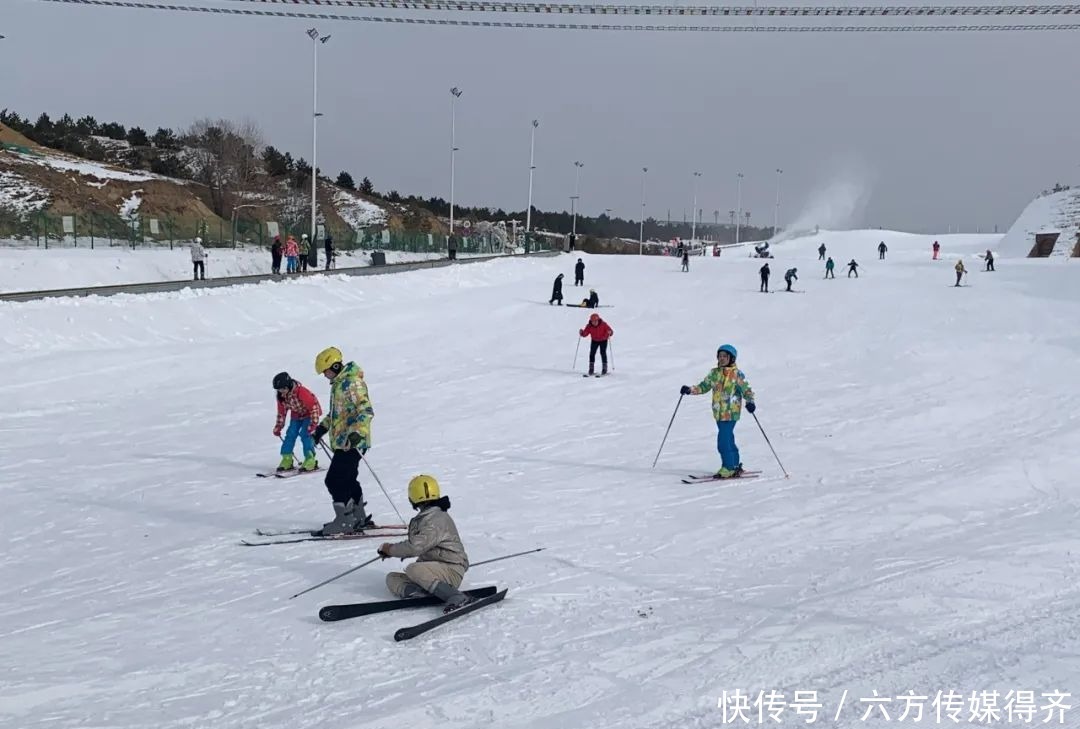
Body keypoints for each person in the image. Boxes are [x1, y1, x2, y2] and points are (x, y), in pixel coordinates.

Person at [378, 474, 471, 612]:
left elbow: (415, 547)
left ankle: (456, 596)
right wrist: (393, 551)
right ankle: (422, 594)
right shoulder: (427, 517)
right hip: (433, 570)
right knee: (392, 578)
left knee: (413, 569)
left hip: (451, 569)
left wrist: (390, 549)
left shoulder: (435, 519)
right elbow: (417, 544)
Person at [311, 347, 375, 535]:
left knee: (334, 480)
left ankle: (344, 521)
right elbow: (337, 414)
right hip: (343, 441)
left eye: (326, 371)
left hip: (352, 442)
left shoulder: (352, 383)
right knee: (347, 479)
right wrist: (321, 429)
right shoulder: (339, 384)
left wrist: (356, 435)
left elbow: (365, 411)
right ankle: (357, 516)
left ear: (336, 365)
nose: (325, 375)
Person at [679, 344, 756, 479]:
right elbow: (704, 386)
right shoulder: (714, 374)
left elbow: (746, 390)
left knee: (723, 441)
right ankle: (735, 464)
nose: (721, 359)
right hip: (719, 413)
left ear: (731, 358)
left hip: (731, 413)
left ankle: (728, 467)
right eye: (719, 356)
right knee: (728, 439)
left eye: (725, 356)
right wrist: (690, 390)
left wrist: (750, 402)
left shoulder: (736, 375)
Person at [272, 372, 323, 473]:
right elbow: (281, 412)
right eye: (279, 390)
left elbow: (313, 407)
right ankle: (287, 458)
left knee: (305, 434)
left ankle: (310, 459)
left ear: (288, 386)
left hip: (310, 414)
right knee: (290, 434)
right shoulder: (281, 396)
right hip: (297, 415)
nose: (281, 392)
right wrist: (278, 426)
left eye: (282, 389)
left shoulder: (301, 392)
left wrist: (313, 424)